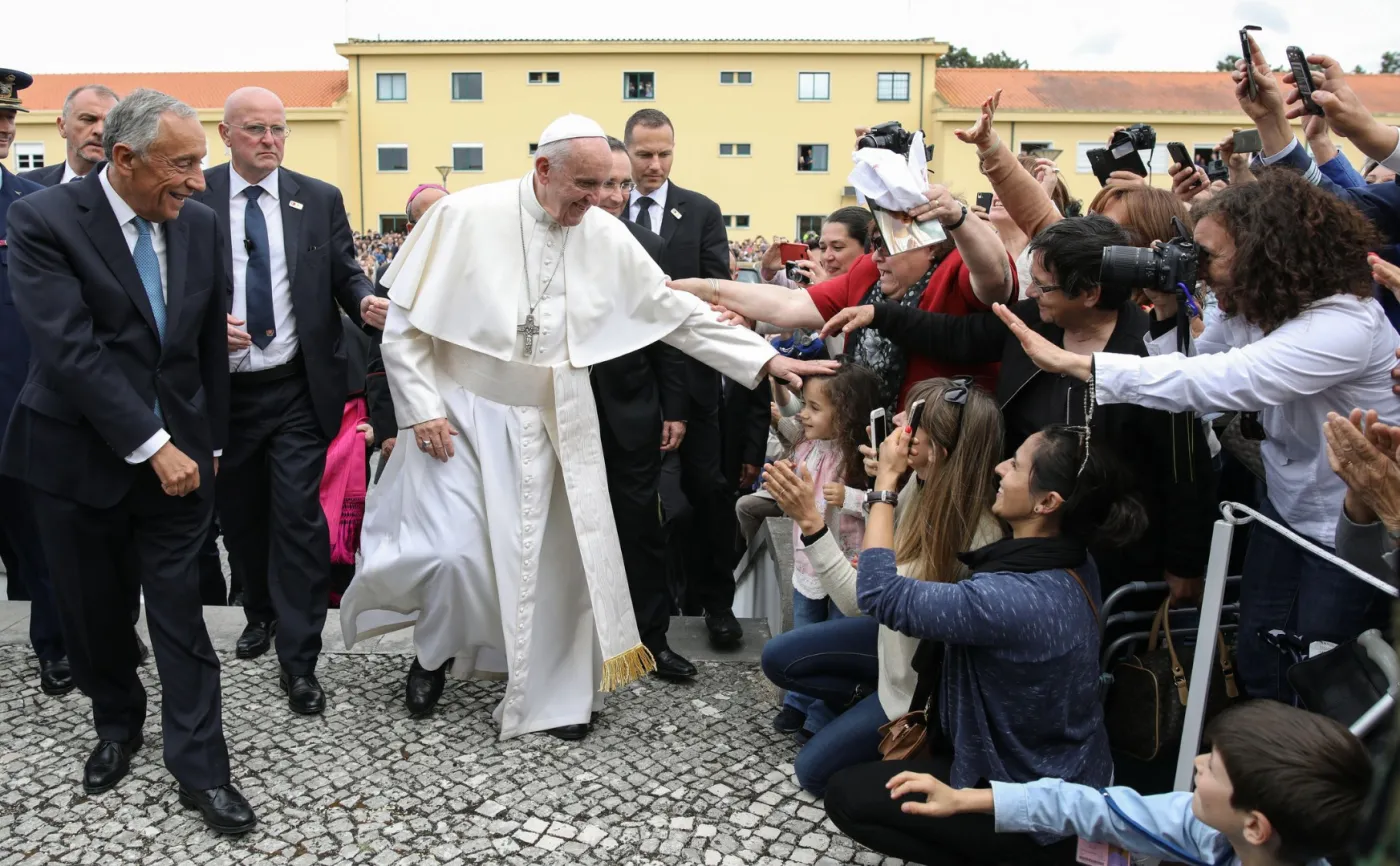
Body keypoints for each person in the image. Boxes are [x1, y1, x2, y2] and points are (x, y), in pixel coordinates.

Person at [339, 114, 833, 742]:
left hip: (552, 416)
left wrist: (767, 360)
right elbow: (406, 324)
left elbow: (670, 312)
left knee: (552, 565)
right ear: (544, 170)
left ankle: (555, 697)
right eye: (586, 184)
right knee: (454, 553)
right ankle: (433, 654)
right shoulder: (464, 215)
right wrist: (421, 408)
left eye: (608, 184)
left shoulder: (599, 230)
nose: (600, 200)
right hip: (461, 415)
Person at [997, 169, 1399, 702]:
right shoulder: (1263, 310)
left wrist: (1080, 366)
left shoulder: (1343, 324)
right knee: (1260, 659)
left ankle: (1311, 772)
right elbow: (1191, 366)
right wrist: (1166, 308)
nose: (1197, 266)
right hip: (1283, 510)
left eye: (1208, 255)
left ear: (1266, 252)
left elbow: (1216, 383)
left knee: (1320, 669)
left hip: (1344, 530)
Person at [3, 89, 254, 833]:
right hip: (76, 461)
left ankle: (202, 769)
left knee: (180, 617)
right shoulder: (43, 220)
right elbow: (70, 351)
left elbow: (207, 344)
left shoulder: (200, 224)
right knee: (94, 617)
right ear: (123, 159)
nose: (198, 181)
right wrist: (155, 447)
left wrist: (207, 446)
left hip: (181, 465)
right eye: (182, 165)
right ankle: (116, 725)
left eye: (200, 164)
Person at [822, 216, 1216, 602]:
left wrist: (1184, 564)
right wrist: (880, 314)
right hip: (1021, 537)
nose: (1029, 294)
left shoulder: (1150, 352)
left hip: (1111, 550)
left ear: (1090, 294)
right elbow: (959, 337)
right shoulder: (1033, 320)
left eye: (1043, 287)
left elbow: (1183, 468)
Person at [824, 424, 1146, 865]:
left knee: (846, 795)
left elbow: (879, 593)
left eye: (1014, 465)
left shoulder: (1013, 597)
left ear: (1047, 502)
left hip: (1025, 797)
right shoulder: (1073, 557)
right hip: (1068, 767)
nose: (999, 468)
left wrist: (884, 488)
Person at [192, 86, 382, 716]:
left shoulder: (317, 198)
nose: (269, 140)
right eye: (255, 130)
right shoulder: (197, 195)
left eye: (278, 129)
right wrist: (201, 323)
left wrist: (362, 300)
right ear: (225, 135)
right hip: (224, 392)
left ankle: (300, 660)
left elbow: (343, 273)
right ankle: (260, 611)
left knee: (299, 519)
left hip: (298, 388)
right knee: (241, 520)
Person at [761, 377, 1004, 795]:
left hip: (913, 685)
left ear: (937, 451)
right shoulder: (924, 482)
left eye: (910, 423)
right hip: (889, 645)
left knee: (814, 773)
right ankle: (858, 697)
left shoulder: (972, 535)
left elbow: (862, 600)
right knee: (779, 658)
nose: (895, 422)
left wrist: (813, 523)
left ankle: (894, 729)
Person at [885, 701, 1372, 866]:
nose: (1197, 764)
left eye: (1214, 769)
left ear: (1257, 827)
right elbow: (1095, 808)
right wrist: (965, 798)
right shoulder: (1208, 831)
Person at [669, 182, 1018, 412]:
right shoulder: (868, 272)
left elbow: (997, 276)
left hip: (947, 447)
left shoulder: (956, 267)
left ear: (927, 248)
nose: (875, 256)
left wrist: (958, 217)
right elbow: (789, 305)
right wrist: (709, 288)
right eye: (873, 244)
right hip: (871, 441)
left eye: (885, 245)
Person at [624, 107, 748, 648]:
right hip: (628, 379)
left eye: (663, 153)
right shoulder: (604, 210)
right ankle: (637, 610)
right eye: (644, 154)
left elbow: (717, 290)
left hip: (694, 383)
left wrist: (671, 295)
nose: (654, 164)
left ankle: (716, 604)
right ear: (627, 152)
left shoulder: (699, 211)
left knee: (708, 493)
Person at [762, 363, 881, 740]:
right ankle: (797, 702)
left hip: (846, 566)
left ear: (844, 414)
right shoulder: (809, 445)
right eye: (806, 405)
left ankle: (822, 712)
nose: (805, 414)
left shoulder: (862, 458)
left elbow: (885, 504)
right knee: (805, 634)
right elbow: (788, 422)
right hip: (805, 561)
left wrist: (850, 496)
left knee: (833, 641)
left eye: (815, 407)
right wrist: (776, 387)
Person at [0, 68, 70, 696]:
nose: (4, 129)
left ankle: (55, 647)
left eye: (10, 120)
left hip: (13, 412)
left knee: (39, 545)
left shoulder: (27, 208)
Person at [366, 184, 448, 470]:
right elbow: (380, 356)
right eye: (428, 220)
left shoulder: (476, 269)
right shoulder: (390, 276)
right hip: (410, 413)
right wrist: (386, 430)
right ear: (411, 227)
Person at [19, 83, 118, 186]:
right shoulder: (27, 184)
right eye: (88, 119)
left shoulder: (131, 192)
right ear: (62, 126)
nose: (100, 131)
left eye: (109, 123)